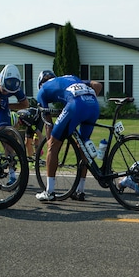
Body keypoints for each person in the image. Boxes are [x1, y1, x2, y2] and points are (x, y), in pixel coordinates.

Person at [35, 70, 103, 202]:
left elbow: (48, 123)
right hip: (93, 104)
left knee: (53, 146)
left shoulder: (42, 90)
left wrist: (51, 143)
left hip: (76, 105)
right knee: (82, 146)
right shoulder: (71, 78)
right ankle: (80, 190)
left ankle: (49, 192)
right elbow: (97, 85)